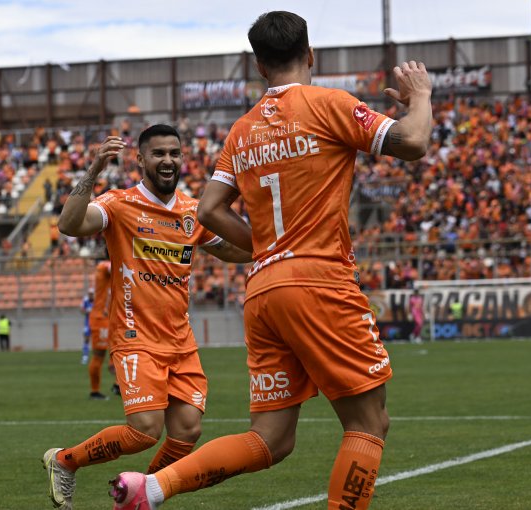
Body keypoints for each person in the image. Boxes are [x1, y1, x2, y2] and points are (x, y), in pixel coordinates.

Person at [110, 12, 432, 510]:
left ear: (259, 65)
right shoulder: (331, 104)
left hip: (263, 292)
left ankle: (151, 488)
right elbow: (413, 142)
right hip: (320, 281)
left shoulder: (241, 131)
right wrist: (422, 97)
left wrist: (266, 250)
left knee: (272, 438)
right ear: (311, 55)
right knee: (368, 423)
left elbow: (212, 209)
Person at [42, 124, 251, 509]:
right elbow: (69, 225)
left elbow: (237, 251)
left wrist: (273, 246)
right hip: (136, 337)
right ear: (140, 159)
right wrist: (92, 173)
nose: (167, 160)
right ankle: (64, 461)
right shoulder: (118, 204)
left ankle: (137, 498)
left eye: (174, 153)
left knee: (188, 431)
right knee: (144, 431)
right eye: (158, 153)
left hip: (180, 342)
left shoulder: (194, 211)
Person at [86, 257, 116, 400]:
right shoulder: (104, 265)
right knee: (99, 355)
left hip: (108, 317)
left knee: (119, 348)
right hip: (100, 318)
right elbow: (112, 268)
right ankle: (94, 391)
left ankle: (117, 384)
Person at [80, 288, 94, 365]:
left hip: (96, 323)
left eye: (91, 294)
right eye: (89, 294)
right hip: (88, 323)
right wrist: (87, 311)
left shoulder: (97, 300)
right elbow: (81, 310)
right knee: (86, 339)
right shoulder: (86, 300)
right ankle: (85, 357)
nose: (90, 295)